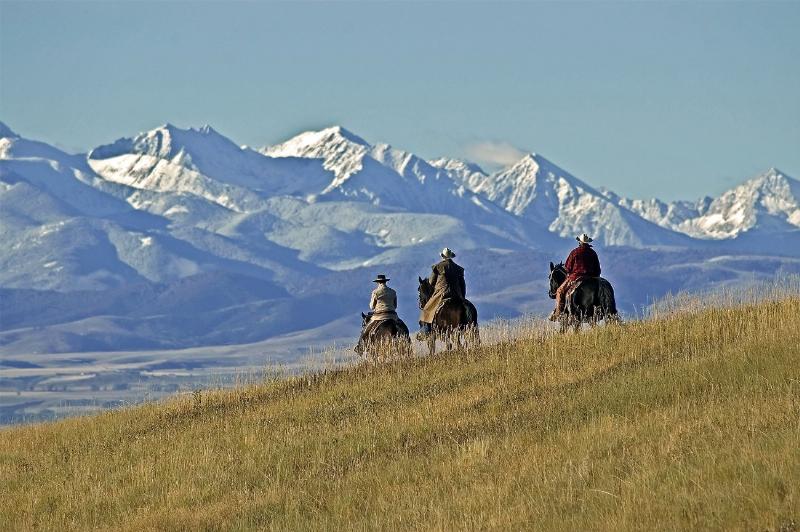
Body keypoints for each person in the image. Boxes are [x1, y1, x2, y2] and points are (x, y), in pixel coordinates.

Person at [550, 233, 602, 321]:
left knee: (559, 291)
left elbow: (568, 267)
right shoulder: (593, 253)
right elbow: (598, 269)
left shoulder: (575, 252)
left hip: (576, 277)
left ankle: (558, 313)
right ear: (588, 243)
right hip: (592, 278)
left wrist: (570, 273)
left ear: (579, 242)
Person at [419, 247, 466, 336]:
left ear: (442, 257)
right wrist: (462, 296)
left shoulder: (437, 267)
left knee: (426, 309)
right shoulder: (458, 268)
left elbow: (431, 283)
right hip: (457, 294)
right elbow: (463, 285)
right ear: (451, 257)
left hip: (442, 293)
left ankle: (425, 332)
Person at [355, 274, 398, 354]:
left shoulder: (375, 292)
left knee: (365, 330)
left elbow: (371, 306)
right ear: (385, 282)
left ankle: (359, 347)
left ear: (378, 282)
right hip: (393, 315)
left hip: (379, 316)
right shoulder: (393, 292)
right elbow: (395, 306)